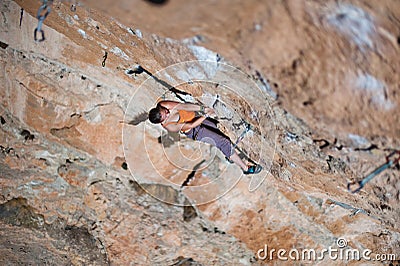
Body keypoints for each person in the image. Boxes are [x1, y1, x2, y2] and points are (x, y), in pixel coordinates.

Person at [148, 100, 262, 175]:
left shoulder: (164, 104)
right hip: (195, 131)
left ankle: (231, 155)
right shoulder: (169, 126)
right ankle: (245, 168)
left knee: (220, 129)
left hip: (197, 117)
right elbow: (191, 125)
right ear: (162, 121)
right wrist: (206, 115)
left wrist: (202, 109)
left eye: (165, 111)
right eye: (165, 116)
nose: (168, 113)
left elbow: (184, 106)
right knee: (223, 142)